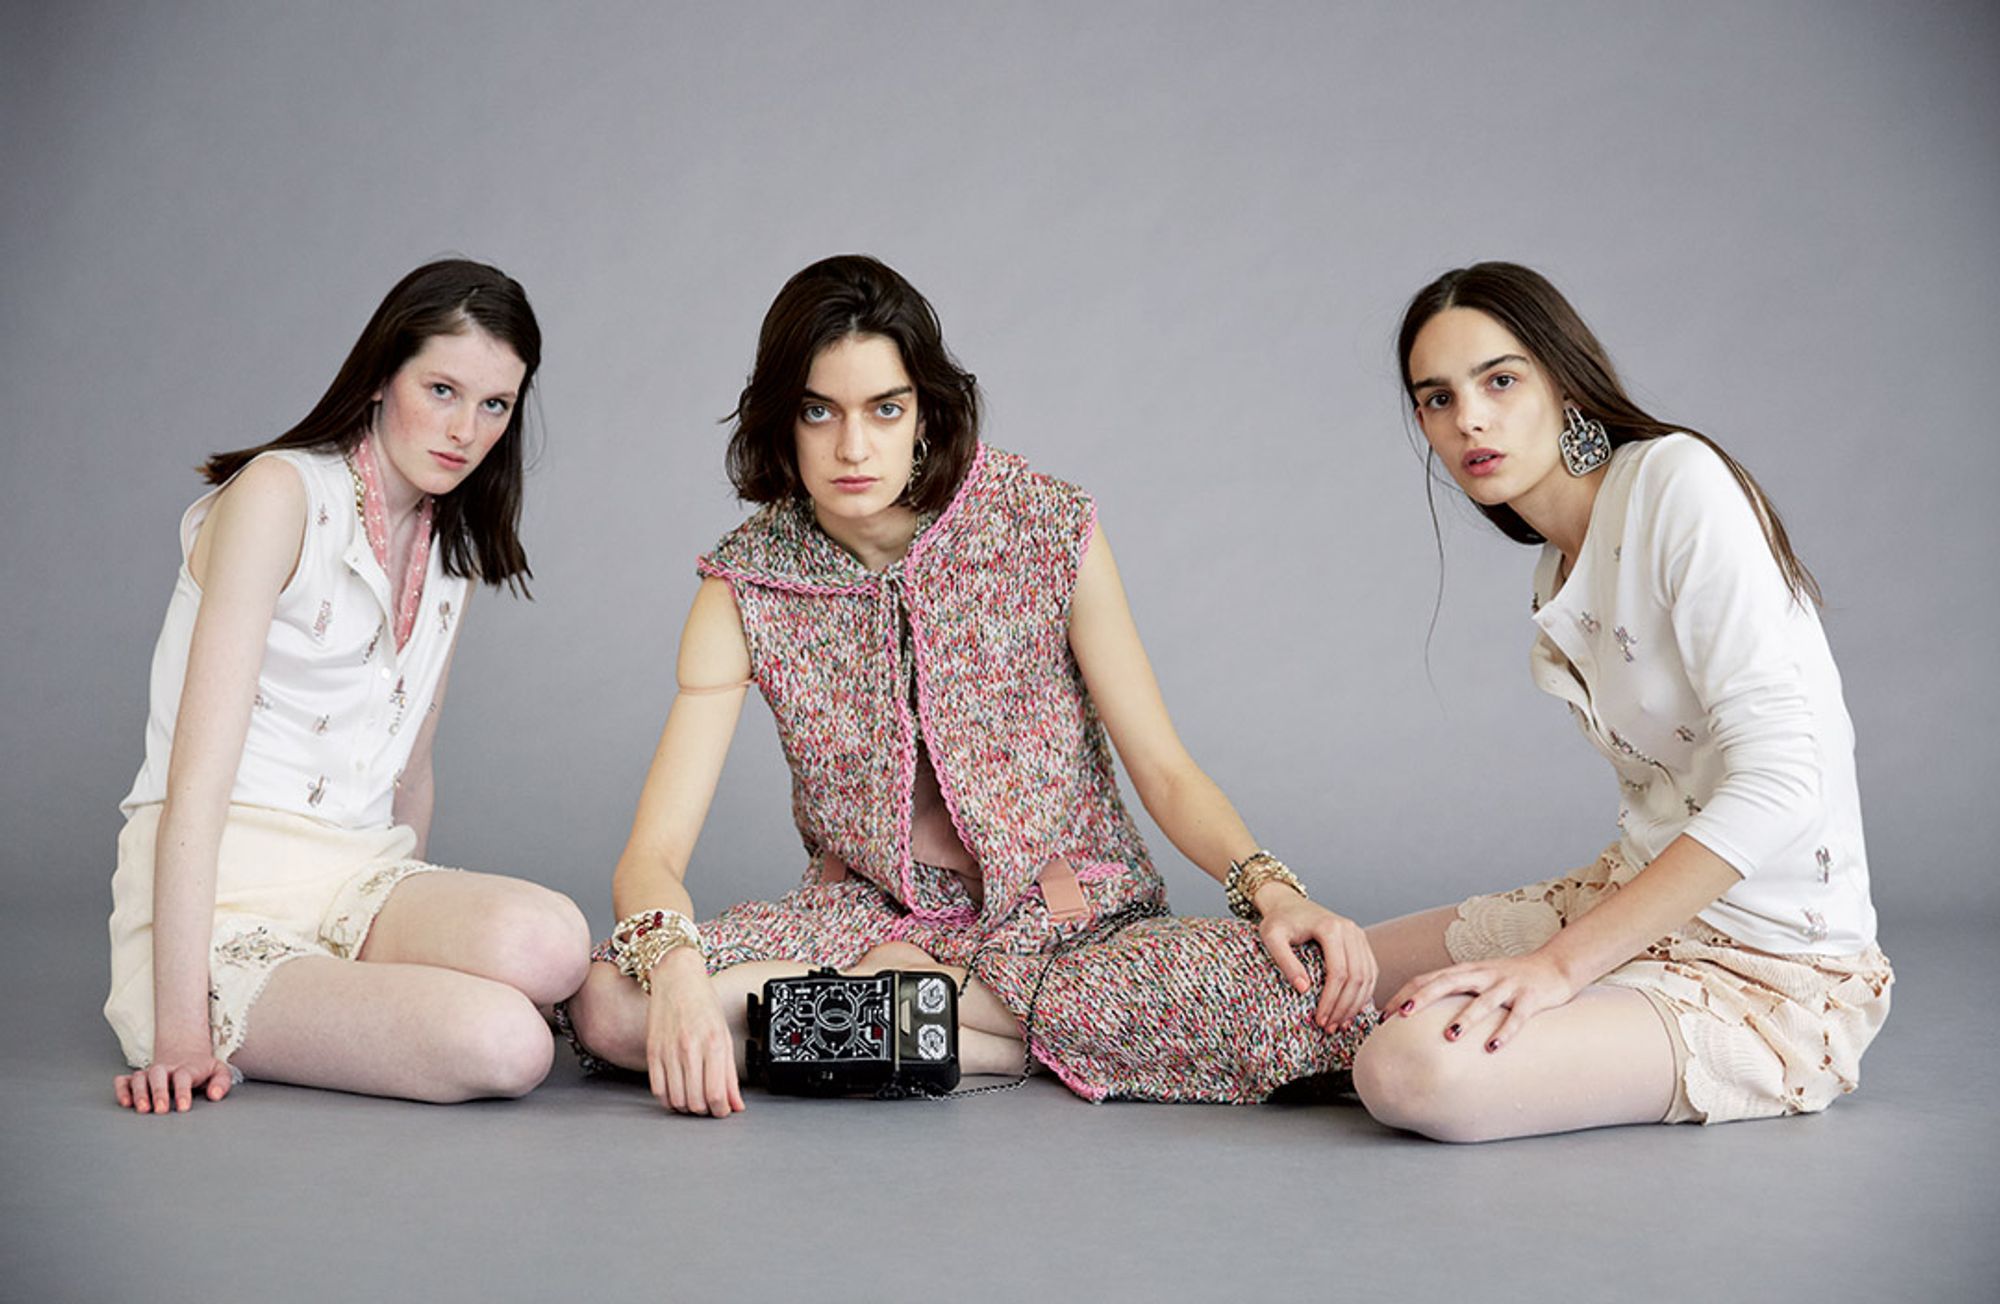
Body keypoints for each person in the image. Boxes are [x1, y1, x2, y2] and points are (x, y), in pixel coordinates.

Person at [562, 254, 1374, 1114]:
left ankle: (884, 1016)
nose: (852, 447)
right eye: (818, 411)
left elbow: (1164, 769)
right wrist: (678, 972)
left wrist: (1270, 890)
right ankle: (957, 1024)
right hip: (862, 919)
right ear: (780, 421)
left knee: (1302, 996)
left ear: (925, 412)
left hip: (1062, 923)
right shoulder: (747, 584)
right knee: (612, 1005)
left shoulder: (1043, 524)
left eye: (885, 409)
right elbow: (653, 855)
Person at [1354, 261, 1891, 1141]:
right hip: (1631, 902)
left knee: (1409, 1067)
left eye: (1500, 381)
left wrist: (1558, 969)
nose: (1469, 420)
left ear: (1565, 383)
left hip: (1769, 965)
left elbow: (1786, 779)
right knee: (1329, 975)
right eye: (1437, 399)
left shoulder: (1676, 483)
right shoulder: (1557, 564)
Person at [107, 259, 590, 1114]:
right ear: (379, 377)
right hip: (222, 900)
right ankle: (272, 1001)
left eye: (495, 405)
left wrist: (415, 937)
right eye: (441, 390)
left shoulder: (450, 545)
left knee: (555, 941)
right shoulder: (280, 494)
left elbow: (411, 773)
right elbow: (196, 783)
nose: (465, 430)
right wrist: (179, 1032)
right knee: (509, 1045)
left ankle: (362, 997)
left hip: (354, 882)